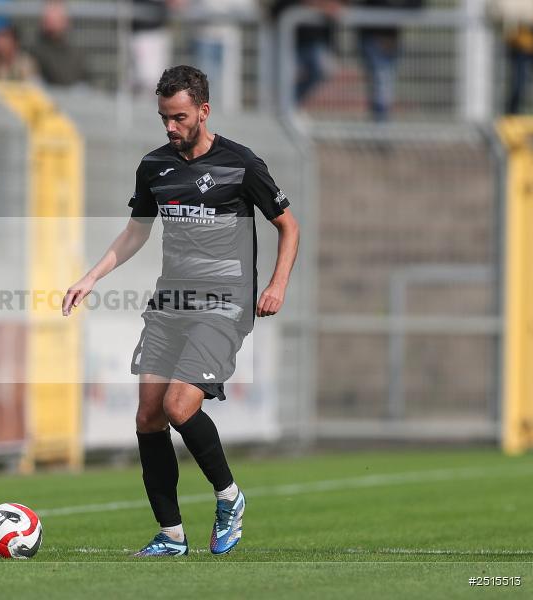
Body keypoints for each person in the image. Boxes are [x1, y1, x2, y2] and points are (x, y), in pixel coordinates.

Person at [62, 66, 299, 556]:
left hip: (223, 303)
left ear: (203, 112)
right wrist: (91, 277)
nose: (170, 127)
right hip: (170, 303)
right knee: (149, 416)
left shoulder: (241, 164)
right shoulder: (155, 166)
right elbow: (137, 231)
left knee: (178, 406)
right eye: (164, 118)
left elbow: (288, 226)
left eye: (179, 118)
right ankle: (171, 535)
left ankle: (229, 497)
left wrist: (277, 285)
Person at [354, 0, 422, 121]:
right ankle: (381, 123)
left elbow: (417, 6)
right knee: (381, 83)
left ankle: (381, 122)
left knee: (385, 85)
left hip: (391, 38)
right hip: (372, 37)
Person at [269, 0, 344, 106]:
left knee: (322, 72)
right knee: (288, 77)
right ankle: (287, 104)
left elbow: (336, 13)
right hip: (291, 44)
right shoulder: (289, 4)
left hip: (316, 44)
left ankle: (290, 103)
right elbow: (275, 12)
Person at [31, 0, 91, 87]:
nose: (52, 20)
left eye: (56, 16)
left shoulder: (76, 54)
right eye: (49, 16)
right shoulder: (35, 51)